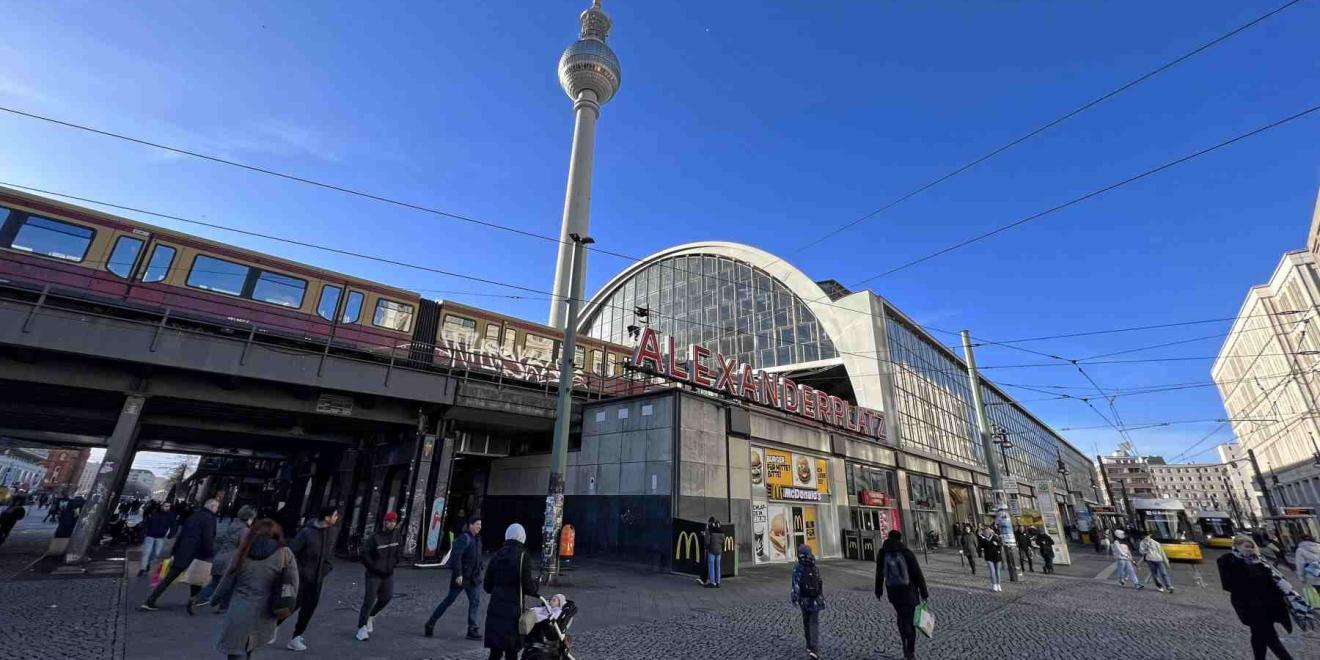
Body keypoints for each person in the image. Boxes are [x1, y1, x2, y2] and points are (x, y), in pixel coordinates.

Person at [1220, 535, 1318, 660]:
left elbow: (1274, 580)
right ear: (1237, 547)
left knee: (1259, 635)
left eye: (1251, 546)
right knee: (1270, 636)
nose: (1250, 549)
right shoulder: (1227, 560)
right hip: (1249, 606)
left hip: (1268, 605)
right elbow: (1228, 585)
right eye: (1246, 547)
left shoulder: (1260, 560)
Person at [213, 519, 298, 660]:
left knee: (236, 649)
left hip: (240, 607)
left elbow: (228, 577)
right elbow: (293, 583)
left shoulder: (244, 549)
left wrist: (215, 598)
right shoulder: (284, 553)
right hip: (266, 608)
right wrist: (289, 605)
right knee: (249, 646)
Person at [141, 498, 218, 613]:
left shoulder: (193, 516)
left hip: (183, 551)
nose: (217, 509)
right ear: (212, 507)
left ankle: (150, 601)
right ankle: (192, 603)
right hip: (198, 553)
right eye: (216, 506)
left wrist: (174, 551)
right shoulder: (210, 519)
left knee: (168, 578)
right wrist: (210, 553)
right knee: (196, 579)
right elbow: (208, 538)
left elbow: (181, 535)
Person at [285, 506, 339, 652]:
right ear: (326, 518)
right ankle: (273, 626)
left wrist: (326, 568)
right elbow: (291, 552)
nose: (336, 518)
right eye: (334, 515)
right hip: (302, 577)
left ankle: (296, 636)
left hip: (318, 578)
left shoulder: (332, 532)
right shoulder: (307, 533)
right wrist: (300, 571)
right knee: (292, 604)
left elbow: (328, 554)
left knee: (309, 608)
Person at [483, 523, 539, 660]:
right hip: (513, 610)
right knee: (511, 651)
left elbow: (487, 586)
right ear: (522, 537)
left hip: (495, 609)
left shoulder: (496, 555)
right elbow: (528, 587)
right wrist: (536, 584)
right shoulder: (523, 557)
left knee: (495, 652)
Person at [425, 516, 484, 640]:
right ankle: (431, 623)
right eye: (477, 524)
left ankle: (472, 629)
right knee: (449, 600)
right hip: (462, 577)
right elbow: (456, 557)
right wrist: (458, 574)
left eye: (480, 524)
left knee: (475, 602)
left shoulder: (478, 539)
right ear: (471, 525)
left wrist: (480, 568)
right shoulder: (465, 538)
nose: (479, 527)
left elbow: (477, 557)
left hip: (473, 578)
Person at [875, 530, 928, 660]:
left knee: (901, 617)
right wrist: (924, 591)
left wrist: (878, 590)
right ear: (900, 539)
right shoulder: (906, 552)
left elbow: (879, 573)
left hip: (893, 592)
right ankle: (910, 651)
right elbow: (917, 573)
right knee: (910, 621)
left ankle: (905, 646)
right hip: (909, 592)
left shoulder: (883, 553)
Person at [355, 511, 403, 641]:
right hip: (373, 574)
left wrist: (395, 562)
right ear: (384, 522)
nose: (391, 524)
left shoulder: (397, 536)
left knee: (387, 597)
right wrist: (373, 566)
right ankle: (361, 628)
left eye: (393, 521)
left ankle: (371, 616)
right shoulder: (375, 537)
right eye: (389, 521)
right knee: (369, 600)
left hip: (388, 573)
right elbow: (364, 554)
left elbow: (399, 551)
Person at [199, 506, 257, 610]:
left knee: (215, 583)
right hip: (231, 561)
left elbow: (219, 541)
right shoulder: (245, 530)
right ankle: (222, 606)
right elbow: (243, 548)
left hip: (220, 558)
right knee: (228, 585)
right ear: (249, 518)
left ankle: (198, 599)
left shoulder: (231, 526)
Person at [791, 543, 825, 660]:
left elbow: (795, 585)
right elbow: (819, 582)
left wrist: (795, 599)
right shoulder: (814, 565)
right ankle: (814, 648)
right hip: (815, 599)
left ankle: (809, 646)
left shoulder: (798, 567)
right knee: (814, 623)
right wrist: (820, 596)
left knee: (806, 621)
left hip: (804, 599)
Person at [138, 501, 177, 577]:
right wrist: (143, 533)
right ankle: (142, 568)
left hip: (160, 537)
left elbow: (174, 525)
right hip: (150, 536)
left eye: (168, 506)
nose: (167, 508)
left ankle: (148, 564)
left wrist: (171, 534)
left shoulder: (170, 515)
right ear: (161, 506)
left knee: (156, 553)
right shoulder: (154, 513)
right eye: (166, 506)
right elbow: (146, 523)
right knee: (146, 552)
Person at [1295, 534, 1320, 608]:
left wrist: (1301, 577)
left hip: (1312, 575)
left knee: (1317, 591)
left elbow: (1300, 565)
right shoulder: (1318, 546)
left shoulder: (1300, 550)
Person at [977, 525, 1004, 592]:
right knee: (992, 572)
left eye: (988, 531)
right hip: (989, 557)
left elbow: (1000, 544)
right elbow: (979, 547)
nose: (986, 532)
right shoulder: (982, 539)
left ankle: (998, 584)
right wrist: (980, 554)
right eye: (985, 531)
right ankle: (994, 585)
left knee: (997, 572)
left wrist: (997, 544)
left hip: (997, 556)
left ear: (990, 531)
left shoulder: (995, 537)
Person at [703, 517, 725, 588]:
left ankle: (712, 582)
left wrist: (706, 548)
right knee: (718, 566)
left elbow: (707, 541)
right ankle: (718, 582)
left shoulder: (710, 530)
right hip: (719, 550)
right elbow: (723, 541)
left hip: (711, 550)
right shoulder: (721, 531)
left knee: (711, 566)